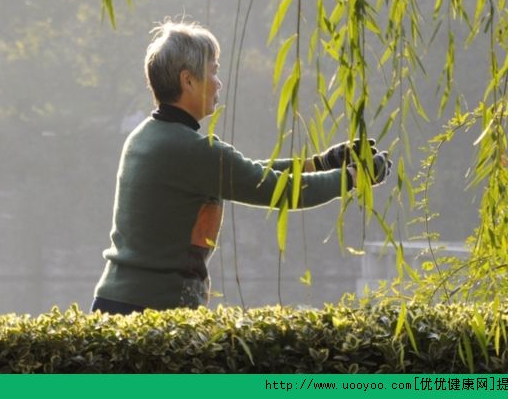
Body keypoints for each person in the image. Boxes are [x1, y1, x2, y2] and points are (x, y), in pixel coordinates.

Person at [91, 21, 392, 315]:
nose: (219, 82)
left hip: (114, 303)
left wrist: (320, 164)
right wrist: (354, 177)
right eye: (213, 71)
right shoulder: (192, 149)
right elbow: (278, 190)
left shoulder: (145, 136)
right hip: (150, 310)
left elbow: (248, 173)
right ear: (188, 80)